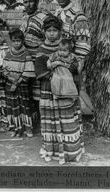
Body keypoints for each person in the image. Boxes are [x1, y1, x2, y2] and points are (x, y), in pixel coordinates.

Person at [35, 15, 84, 165]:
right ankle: (53, 149)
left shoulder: (65, 48)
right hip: (49, 89)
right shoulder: (41, 49)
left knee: (66, 117)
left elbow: (75, 67)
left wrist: (66, 71)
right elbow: (40, 70)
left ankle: (70, 150)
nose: (51, 33)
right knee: (52, 119)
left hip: (66, 90)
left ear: (60, 32)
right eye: (48, 30)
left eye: (55, 30)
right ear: (44, 32)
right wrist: (53, 77)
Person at [20, 0, 48, 128]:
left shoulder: (43, 17)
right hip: (26, 59)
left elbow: (48, 38)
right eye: (25, 2)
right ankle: (32, 121)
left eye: (31, 1)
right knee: (28, 90)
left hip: (39, 58)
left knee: (40, 91)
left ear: (36, 1)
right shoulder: (24, 18)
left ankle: (43, 122)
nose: (28, 4)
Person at [3, 28, 35, 137]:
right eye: (14, 41)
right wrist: (11, 80)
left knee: (24, 106)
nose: (16, 43)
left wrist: (17, 83)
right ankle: (15, 128)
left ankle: (27, 128)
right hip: (10, 84)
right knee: (13, 106)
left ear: (22, 41)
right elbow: (5, 69)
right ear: (11, 41)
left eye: (18, 41)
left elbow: (28, 71)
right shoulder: (8, 54)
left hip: (22, 85)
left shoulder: (26, 54)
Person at [54, 0, 91, 76]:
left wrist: (76, 67)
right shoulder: (57, 14)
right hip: (56, 62)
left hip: (70, 65)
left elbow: (83, 45)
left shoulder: (78, 16)